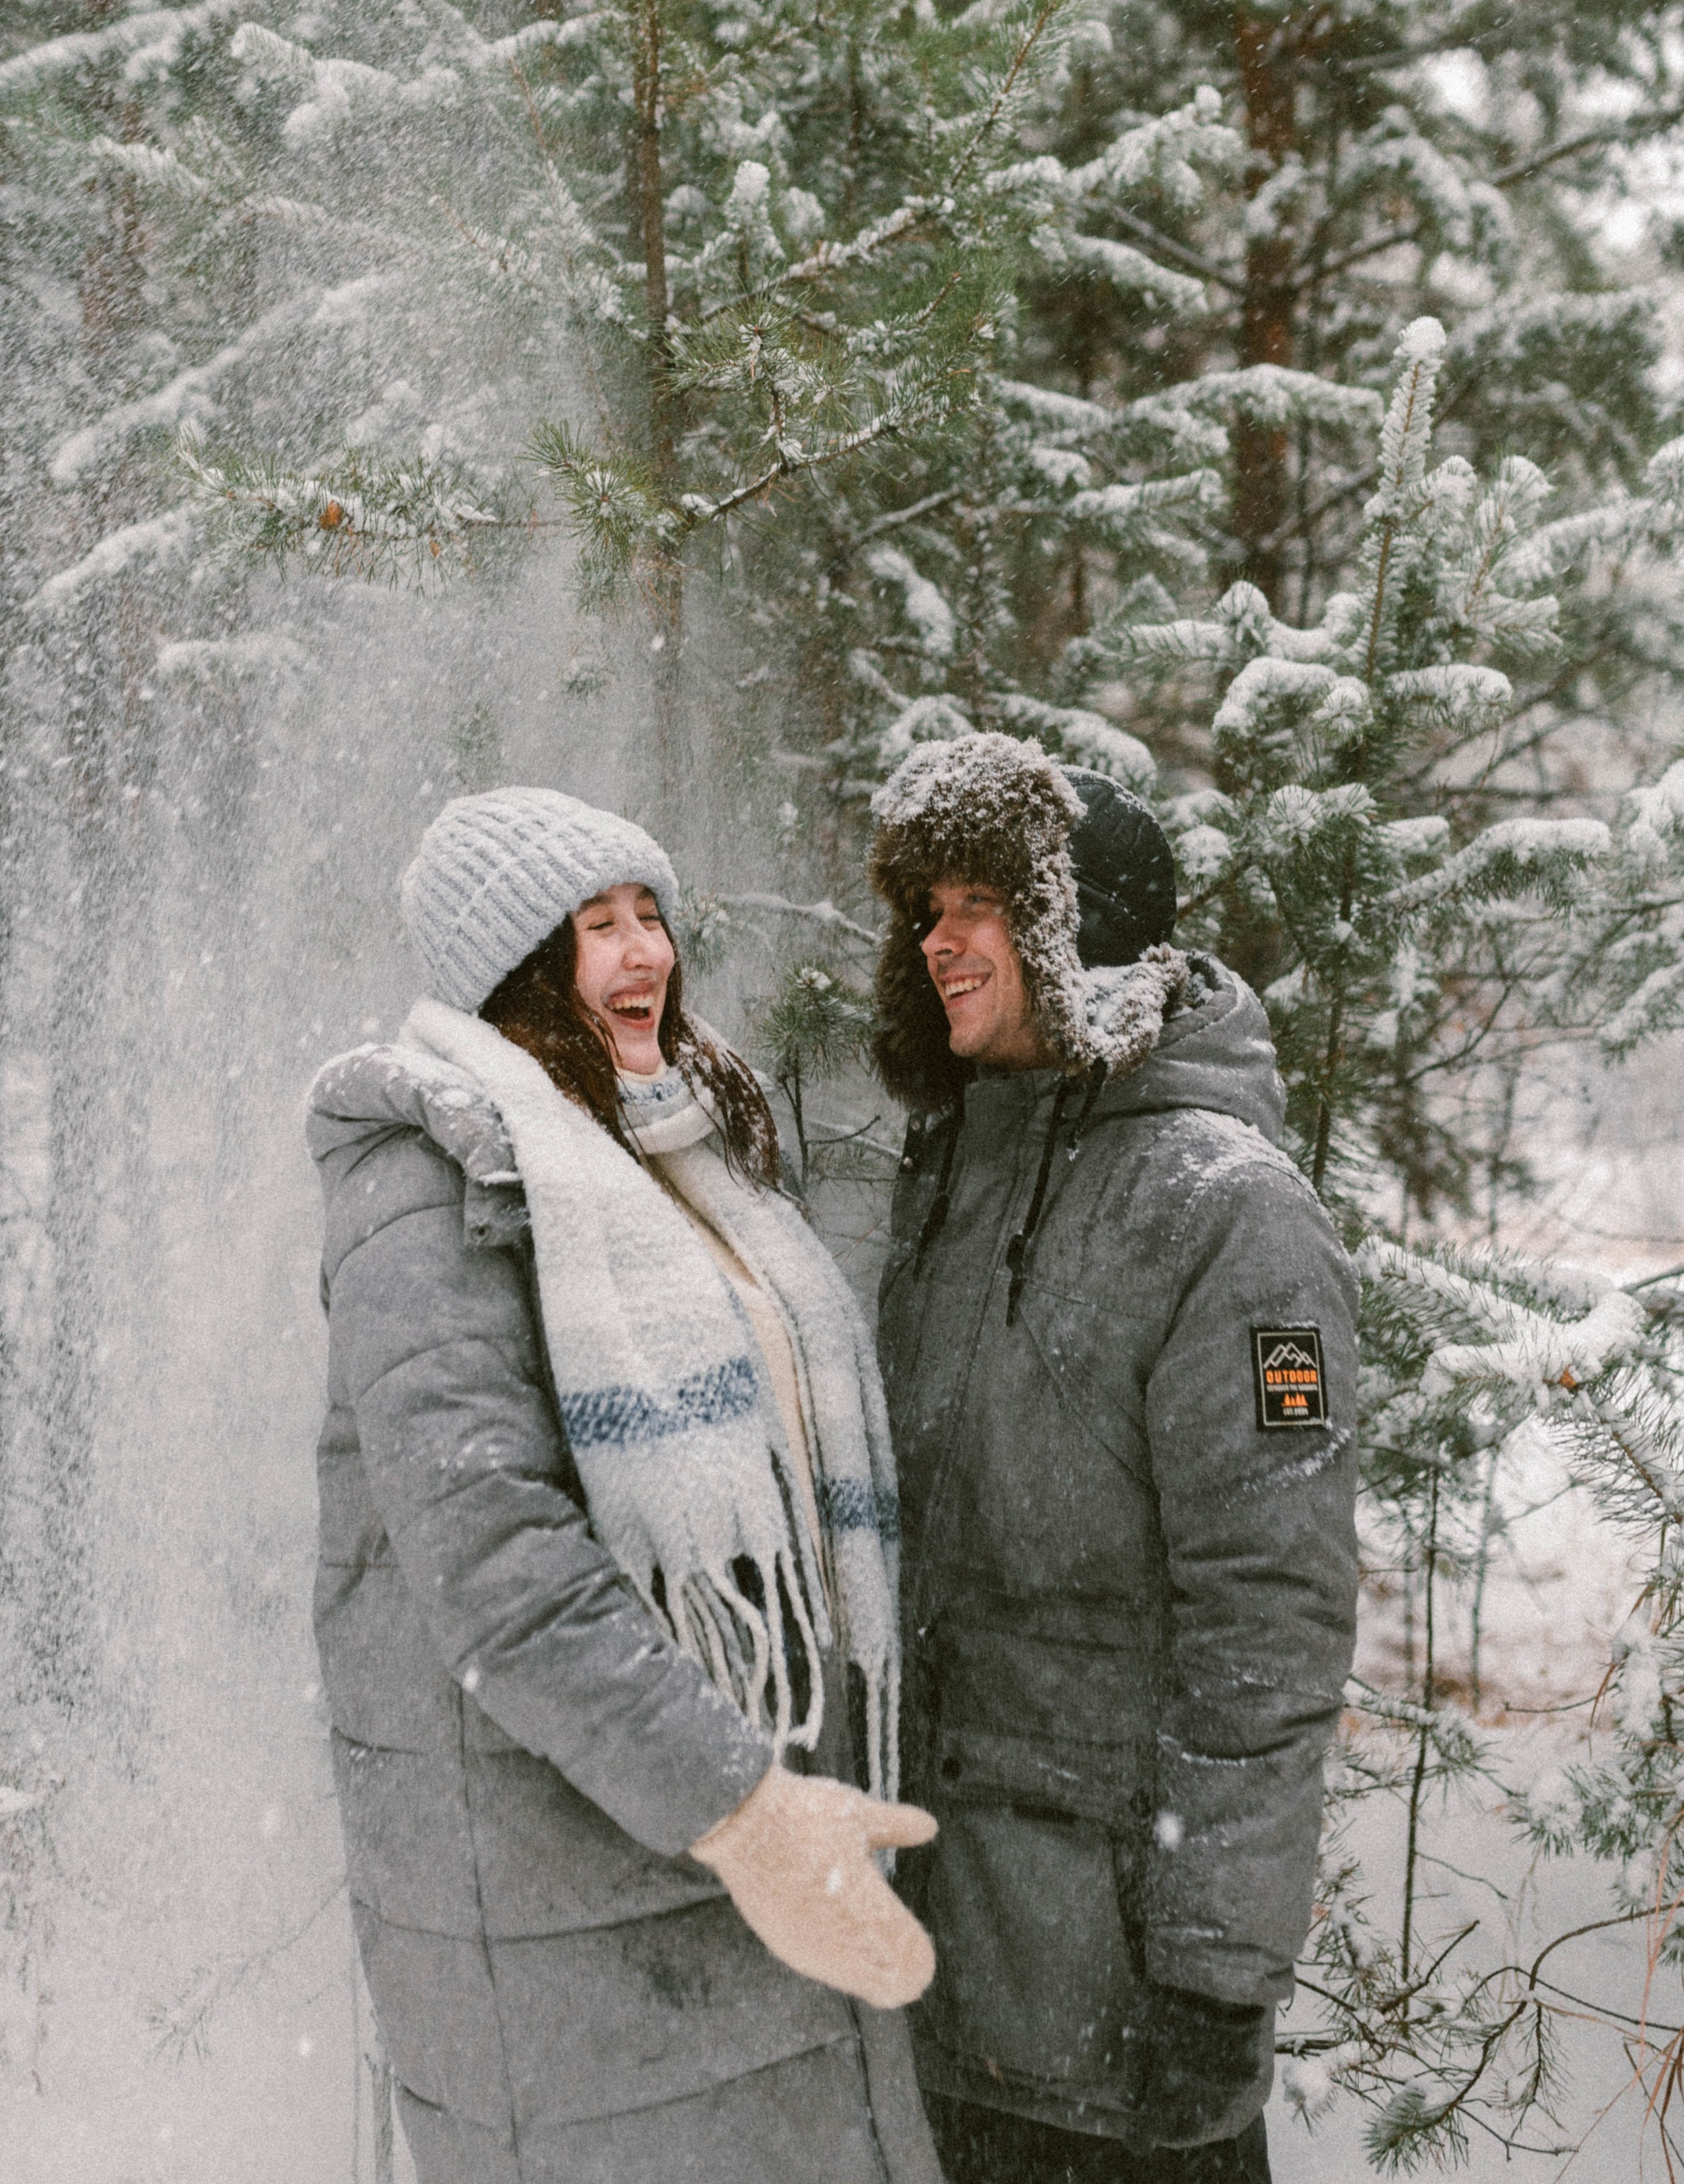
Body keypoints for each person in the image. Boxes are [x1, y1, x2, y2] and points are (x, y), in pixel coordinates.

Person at [305, 785, 943, 2184]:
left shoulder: (685, 1160)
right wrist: (745, 1809)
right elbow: (498, 1572)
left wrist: (770, 1817)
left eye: (650, 915)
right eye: (595, 926)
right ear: (519, 967)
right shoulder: (428, 1188)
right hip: (575, 1916)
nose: (643, 950)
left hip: (717, 1891)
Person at [868, 732, 1360, 2184]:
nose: (938, 940)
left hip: (1116, 2005)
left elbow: (1268, 1617)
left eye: (977, 903)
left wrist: (1213, 1969)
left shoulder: (1225, 1210)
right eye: (926, 908)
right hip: (941, 1962)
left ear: (1070, 924)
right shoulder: (953, 1166)